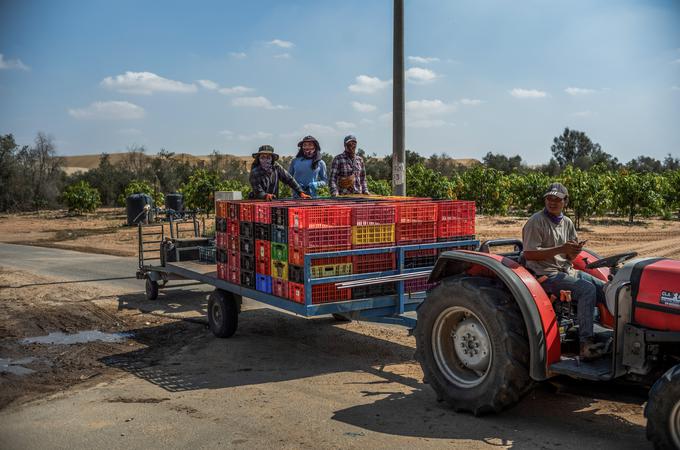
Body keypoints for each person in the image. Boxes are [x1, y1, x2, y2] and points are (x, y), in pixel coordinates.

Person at [522, 182, 606, 360]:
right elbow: (529, 254)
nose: (552, 202)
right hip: (547, 274)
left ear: (565, 202)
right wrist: (561, 249)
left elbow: (569, 256)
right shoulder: (536, 222)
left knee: (607, 289)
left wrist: (573, 252)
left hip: (566, 271)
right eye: (549, 198)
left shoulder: (567, 222)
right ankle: (586, 343)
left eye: (557, 199)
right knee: (587, 290)